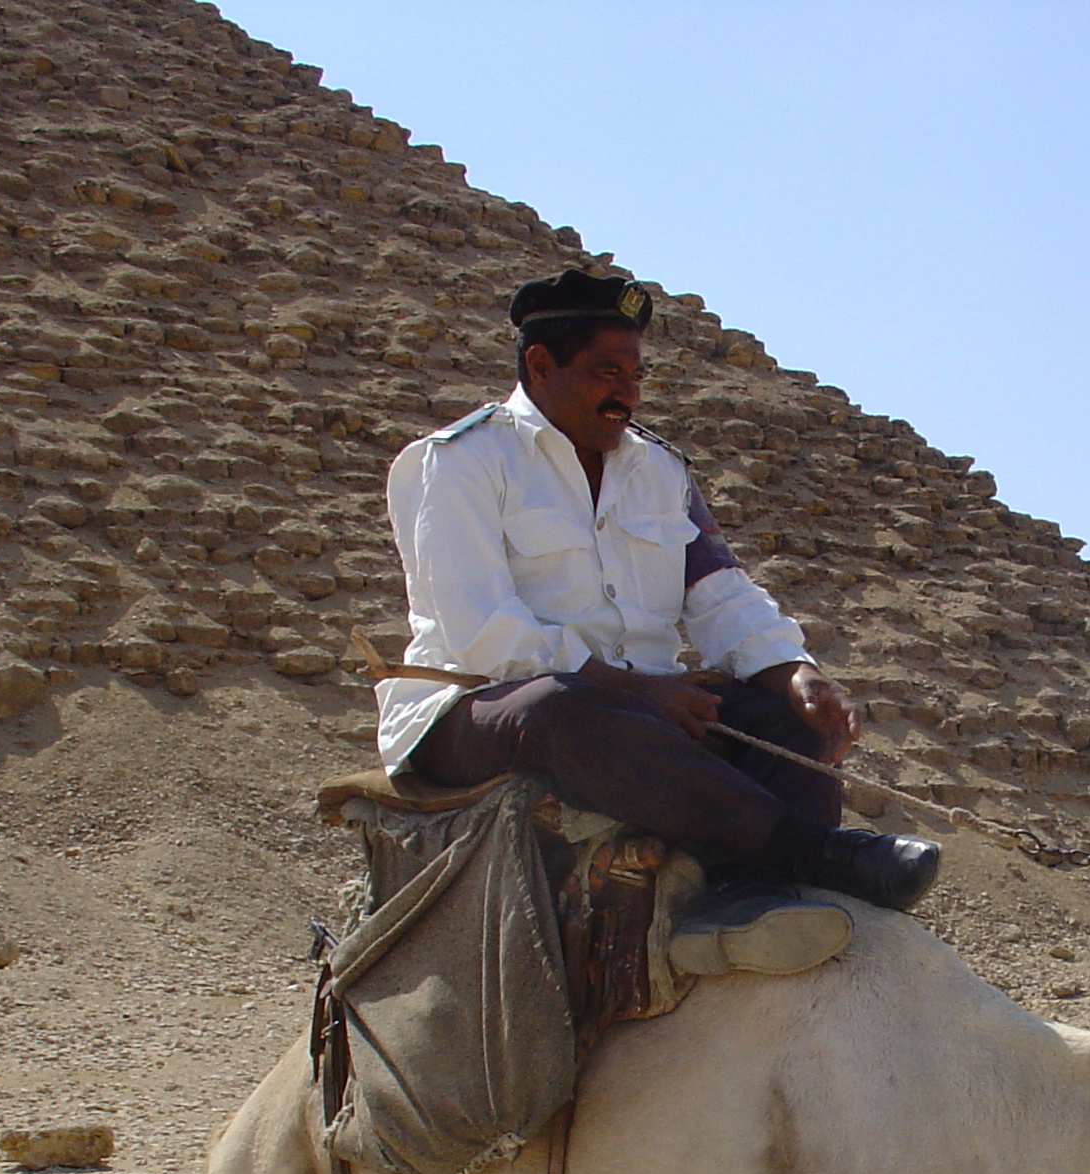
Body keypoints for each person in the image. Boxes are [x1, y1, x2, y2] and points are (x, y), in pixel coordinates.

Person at [376, 268, 939, 977]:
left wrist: (795, 672)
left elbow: (719, 592)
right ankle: (812, 855)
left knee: (779, 715)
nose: (628, 393)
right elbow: (484, 632)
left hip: (636, 712)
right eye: (606, 371)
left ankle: (748, 896)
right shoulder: (459, 461)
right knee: (561, 708)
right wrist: (635, 692)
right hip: (481, 706)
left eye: (638, 375)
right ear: (540, 365)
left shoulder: (659, 471)